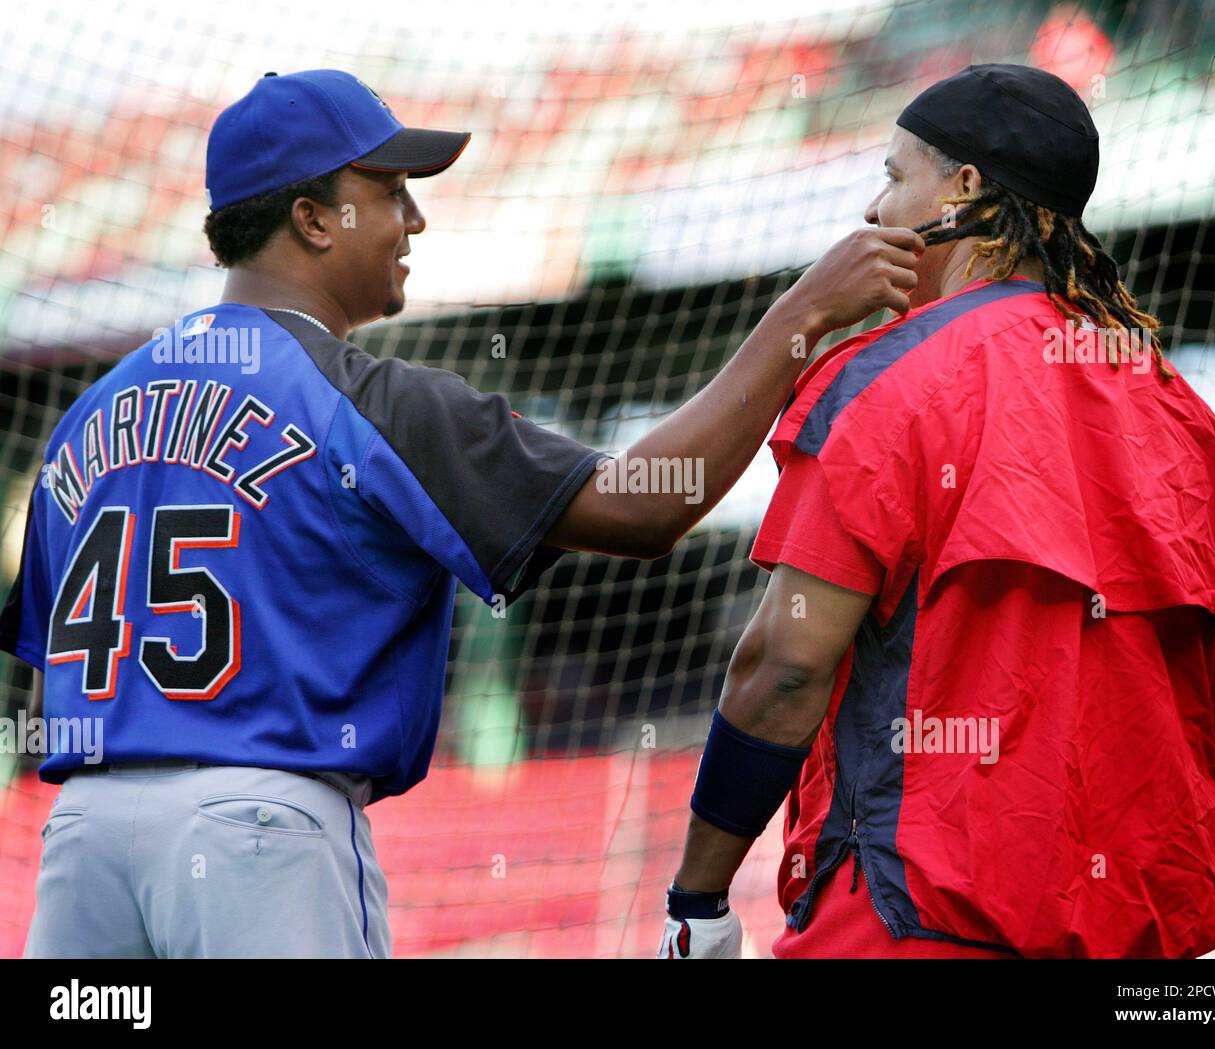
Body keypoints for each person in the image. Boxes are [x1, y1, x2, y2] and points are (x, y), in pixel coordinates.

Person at [0, 69, 923, 958]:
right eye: (391, 191)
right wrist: (803, 312)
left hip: (85, 844)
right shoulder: (367, 399)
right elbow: (648, 505)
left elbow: (50, 673)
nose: (415, 217)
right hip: (259, 836)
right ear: (312, 219)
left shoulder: (88, 417)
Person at [658, 63, 1215, 960]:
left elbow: (785, 665)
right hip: (1152, 957)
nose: (876, 210)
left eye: (894, 175)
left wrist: (700, 898)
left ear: (964, 189)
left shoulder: (888, 378)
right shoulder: (1186, 414)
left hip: (914, 923)